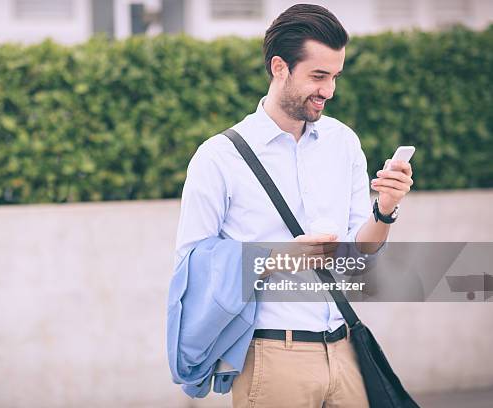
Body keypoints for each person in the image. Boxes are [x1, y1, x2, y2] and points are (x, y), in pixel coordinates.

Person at [172, 4, 413, 407]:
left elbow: (361, 253)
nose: (329, 91)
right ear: (280, 67)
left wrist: (384, 209)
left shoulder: (344, 143)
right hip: (271, 357)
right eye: (318, 76)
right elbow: (192, 264)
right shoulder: (219, 157)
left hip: (345, 348)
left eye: (335, 76)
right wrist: (281, 257)